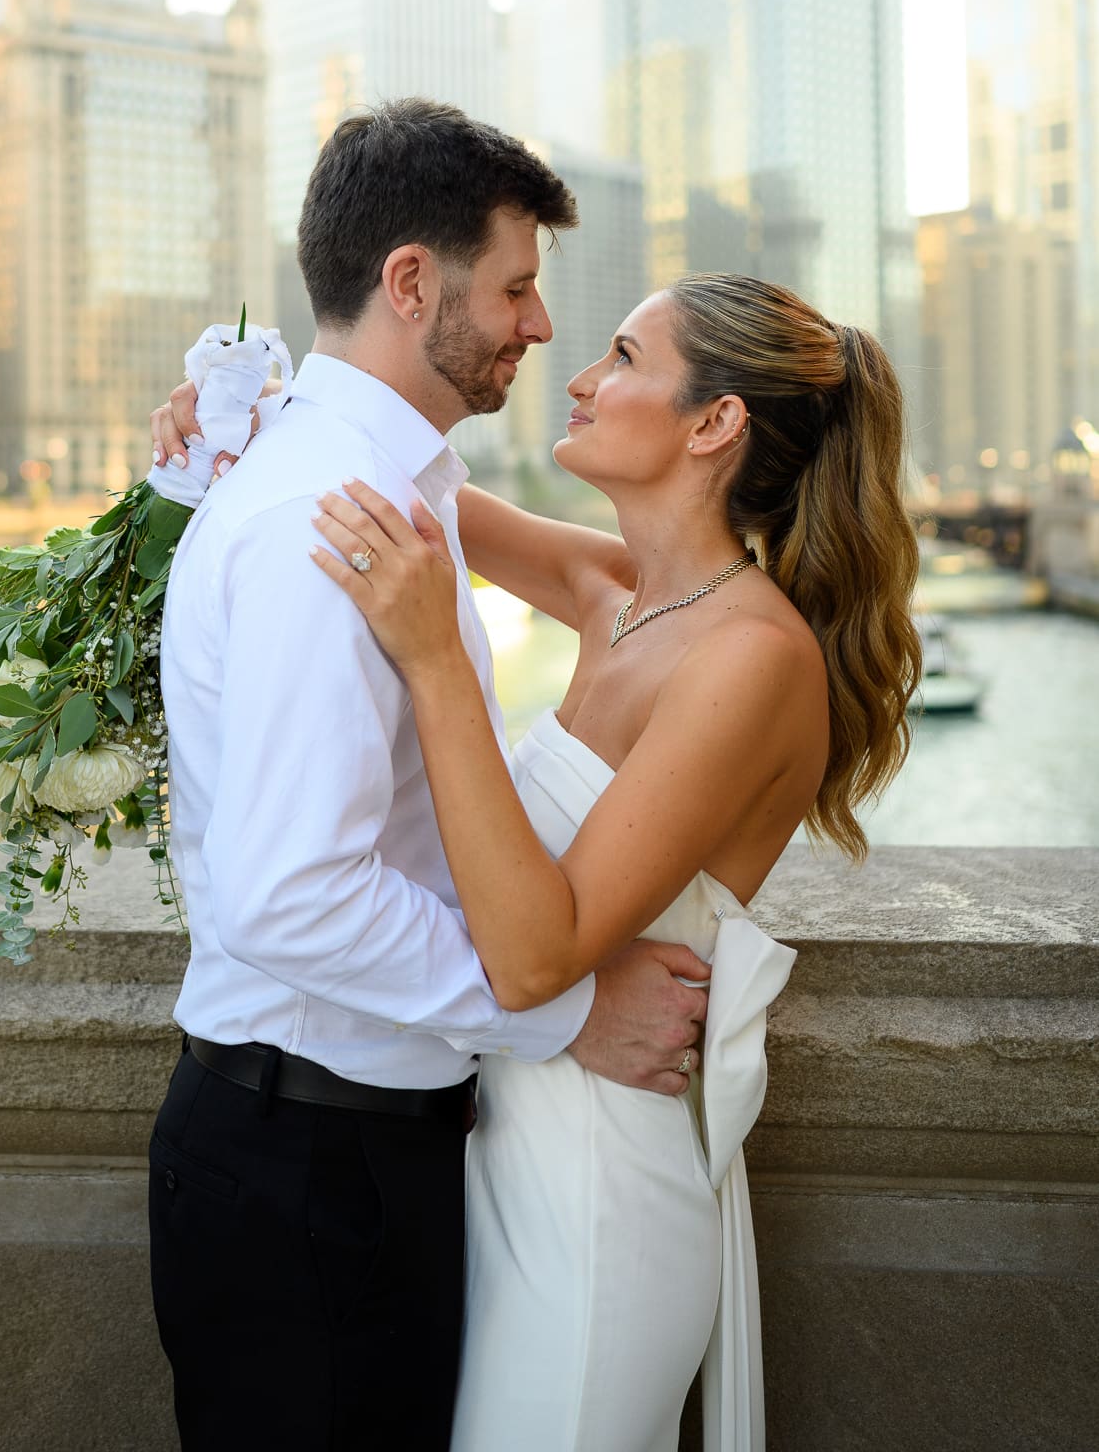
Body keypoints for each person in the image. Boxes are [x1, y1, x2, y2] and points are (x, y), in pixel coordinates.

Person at [146, 100, 714, 1452]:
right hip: (305, 1180)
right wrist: (561, 1012)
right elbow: (290, 897)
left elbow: (640, 588)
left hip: (353, 1156)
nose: (539, 326)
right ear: (413, 282)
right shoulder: (321, 521)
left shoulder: (377, 487)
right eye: (516, 286)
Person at [307, 274, 921, 1449]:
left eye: (625, 355)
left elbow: (537, 954)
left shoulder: (750, 658)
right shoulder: (616, 592)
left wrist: (439, 660)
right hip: (495, 1150)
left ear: (713, 423)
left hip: (599, 1198)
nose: (581, 377)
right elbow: (392, 481)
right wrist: (233, 408)